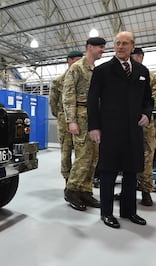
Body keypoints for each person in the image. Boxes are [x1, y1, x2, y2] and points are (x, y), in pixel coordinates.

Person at [87, 31, 154, 229]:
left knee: (132, 172)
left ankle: (129, 211)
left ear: (133, 46)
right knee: (108, 172)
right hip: (110, 129)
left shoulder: (142, 71)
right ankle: (106, 213)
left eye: (125, 43)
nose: (121, 46)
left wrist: (146, 114)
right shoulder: (103, 71)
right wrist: (94, 127)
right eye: (117, 43)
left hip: (134, 131)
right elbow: (92, 100)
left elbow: (148, 100)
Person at [62, 37, 106, 211]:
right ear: (90, 47)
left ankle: (85, 191)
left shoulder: (97, 69)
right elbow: (68, 95)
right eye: (100, 47)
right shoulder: (77, 68)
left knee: (94, 157)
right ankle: (72, 190)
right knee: (83, 156)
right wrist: (71, 120)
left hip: (95, 117)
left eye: (103, 47)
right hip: (81, 116)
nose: (103, 50)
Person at [49, 50, 83, 199]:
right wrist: (62, 116)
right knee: (66, 151)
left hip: (81, 119)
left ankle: (79, 183)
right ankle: (67, 181)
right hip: (64, 120)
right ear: (68, 61)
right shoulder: (58, 81)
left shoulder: (83, 78)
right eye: (76, 60)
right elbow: (53, 103)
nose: (78, 63)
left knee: (83, 153)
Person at [131, 48, 156, 206]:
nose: (136, 58)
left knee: (147, 155)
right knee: (127, 155)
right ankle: (127, 190)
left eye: (138, 56)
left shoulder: (151, 76)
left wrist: (145, 111)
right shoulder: (125, 75)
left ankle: (146, 191)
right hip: (127, 122)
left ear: (141, 57)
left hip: (146, 121)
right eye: (134, 56)